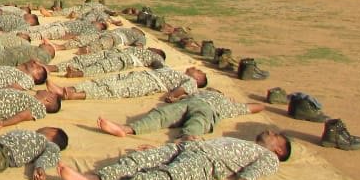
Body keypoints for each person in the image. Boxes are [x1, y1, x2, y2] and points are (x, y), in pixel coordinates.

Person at [57, 131, 291, 180]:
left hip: (207, 164)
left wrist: (246, 179)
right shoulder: (242, 141)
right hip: (190, 148)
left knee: (167, 176)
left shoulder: (267, 156)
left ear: (278, 151)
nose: (270, 132)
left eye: (275, 137)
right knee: (140, 160)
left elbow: (258, 169)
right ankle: (94, 178)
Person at [95, 88, 264, 139]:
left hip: (208, 109)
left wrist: (236, 102)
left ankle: (184, 142)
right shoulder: (196, 93)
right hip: (186, 103)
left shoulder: (226, 103)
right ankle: (126, 129)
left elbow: (254, 107)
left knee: (197, 123)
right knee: (161, 115)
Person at [47, 66, 207, 102]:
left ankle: (74, 95)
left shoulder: (191, 81)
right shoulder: (178, 71)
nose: (194, 68)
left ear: (199, 80)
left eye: (199, 71)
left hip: (149, 82)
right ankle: (67, 89)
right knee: (102, 81)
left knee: (113, 89)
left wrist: (173, 95)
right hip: (143, 75)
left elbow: (184, 89)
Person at [61, 45, 166, 76]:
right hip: (116, 51)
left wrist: (157, 69)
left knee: (103, 66)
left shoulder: (156, 56)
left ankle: (77, 73)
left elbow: (159, 65)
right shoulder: (142, 49)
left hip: (127, 58)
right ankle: (57, 67)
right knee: (88, 58)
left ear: (158, 52)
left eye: (155, 48)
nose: (151, 47)